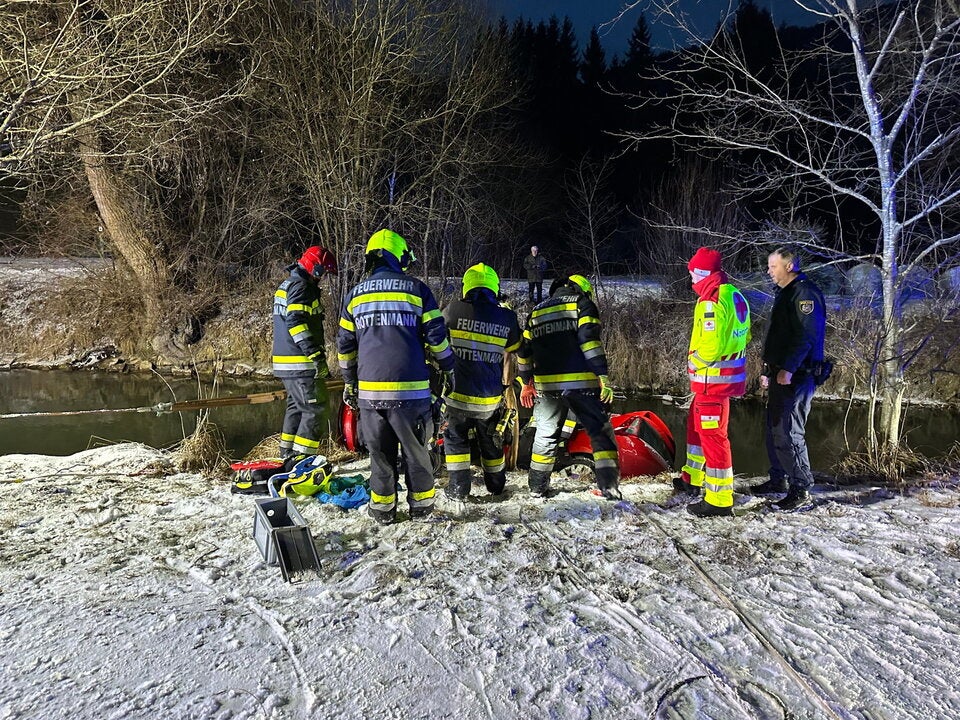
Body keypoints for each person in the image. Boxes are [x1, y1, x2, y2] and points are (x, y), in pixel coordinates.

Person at [337, 229, 455, 525]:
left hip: (370, 396)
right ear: (398, 256)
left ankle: (383, 511)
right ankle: (422, 508)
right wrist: (448, 366)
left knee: (380, 456)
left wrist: (350, 381)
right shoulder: (416, 290)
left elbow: (344, 346)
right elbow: (437, 337)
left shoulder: (355, 295)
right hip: (411, 394)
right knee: (416, 454)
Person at [517, 274, 620, 499]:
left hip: (546, 386)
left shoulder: (537, 312)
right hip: (580, 382)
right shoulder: (582, 304)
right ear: (581, 290)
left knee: (545, 434)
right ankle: (608, 488)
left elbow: (524, 352)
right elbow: (589, 342)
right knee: (599, 432)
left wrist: (526, 383)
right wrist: (603, 376)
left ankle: (536, 487)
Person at [747, 247, 826, 511]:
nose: (769, 272)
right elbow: (778, 337)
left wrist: (789, 368)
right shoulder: (785, 293)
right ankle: (778, 479)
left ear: (789, 266)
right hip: (781, 373)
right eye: (769, 267)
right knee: (775, 429)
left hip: (798, 375)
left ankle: (801, 488)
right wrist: (768, 370)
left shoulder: (805, 293)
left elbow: (806, 335)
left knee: (790, 431)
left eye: (773, 266)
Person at [677, 248, 751, 518]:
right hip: (720, 383)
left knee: (713, 438)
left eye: (692, 274)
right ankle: (693, 479)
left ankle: (719, 499)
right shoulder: (734, 295)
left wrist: (695, 362)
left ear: (701, 273)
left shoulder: (710, 301)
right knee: (697, 430)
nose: (691, 280)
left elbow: (710, 345)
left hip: (712, 382)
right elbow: (746, 333)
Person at [442, 263, 522, 501]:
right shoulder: (506, 317)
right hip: (490, 398)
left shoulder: (452, 310)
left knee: (456, 442)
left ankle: (459, 489)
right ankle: (496, 487)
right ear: (494, 288)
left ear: (467, 287)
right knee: (491, 444)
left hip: (457, 397)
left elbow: (437, 346)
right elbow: (516, 350)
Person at [272, 245, 338, 461]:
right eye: (324, 272)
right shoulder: (302, 287)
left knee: (297, 407)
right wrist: (316, 355)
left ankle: (287, 455)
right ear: (315, 268)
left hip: (286, 362)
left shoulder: (288, 283)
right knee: (315, 409)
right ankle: (302, 462)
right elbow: (296, 322)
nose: (324, 277)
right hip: (300, 362)